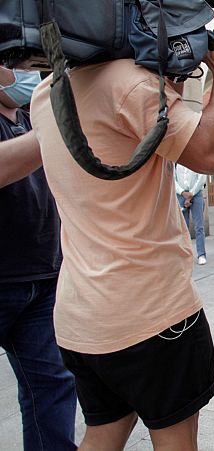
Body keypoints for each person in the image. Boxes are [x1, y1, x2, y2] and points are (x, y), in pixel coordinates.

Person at [23, 27, 214, 449]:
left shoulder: (46, 94)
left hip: (81, 315)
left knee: (103, 434)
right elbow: (211, 156)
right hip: (150, 314)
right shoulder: (132, 85)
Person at [0, 67, 78, 451]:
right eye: (15, 64)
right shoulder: (44, 126)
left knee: (52, 386)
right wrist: (59, 124)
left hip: (43, 276)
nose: (26, 74)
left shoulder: (32, 116)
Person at [174, 164, 208, 264]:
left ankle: (201, 254)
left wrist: (191, 194)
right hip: (181, 195)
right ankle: (184, 254)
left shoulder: (196, 159)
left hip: (196, 194)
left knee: (199, 227)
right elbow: (172, 178)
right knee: (183, 227)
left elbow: (201, 178)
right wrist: (182, 192)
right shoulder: (176, 161)